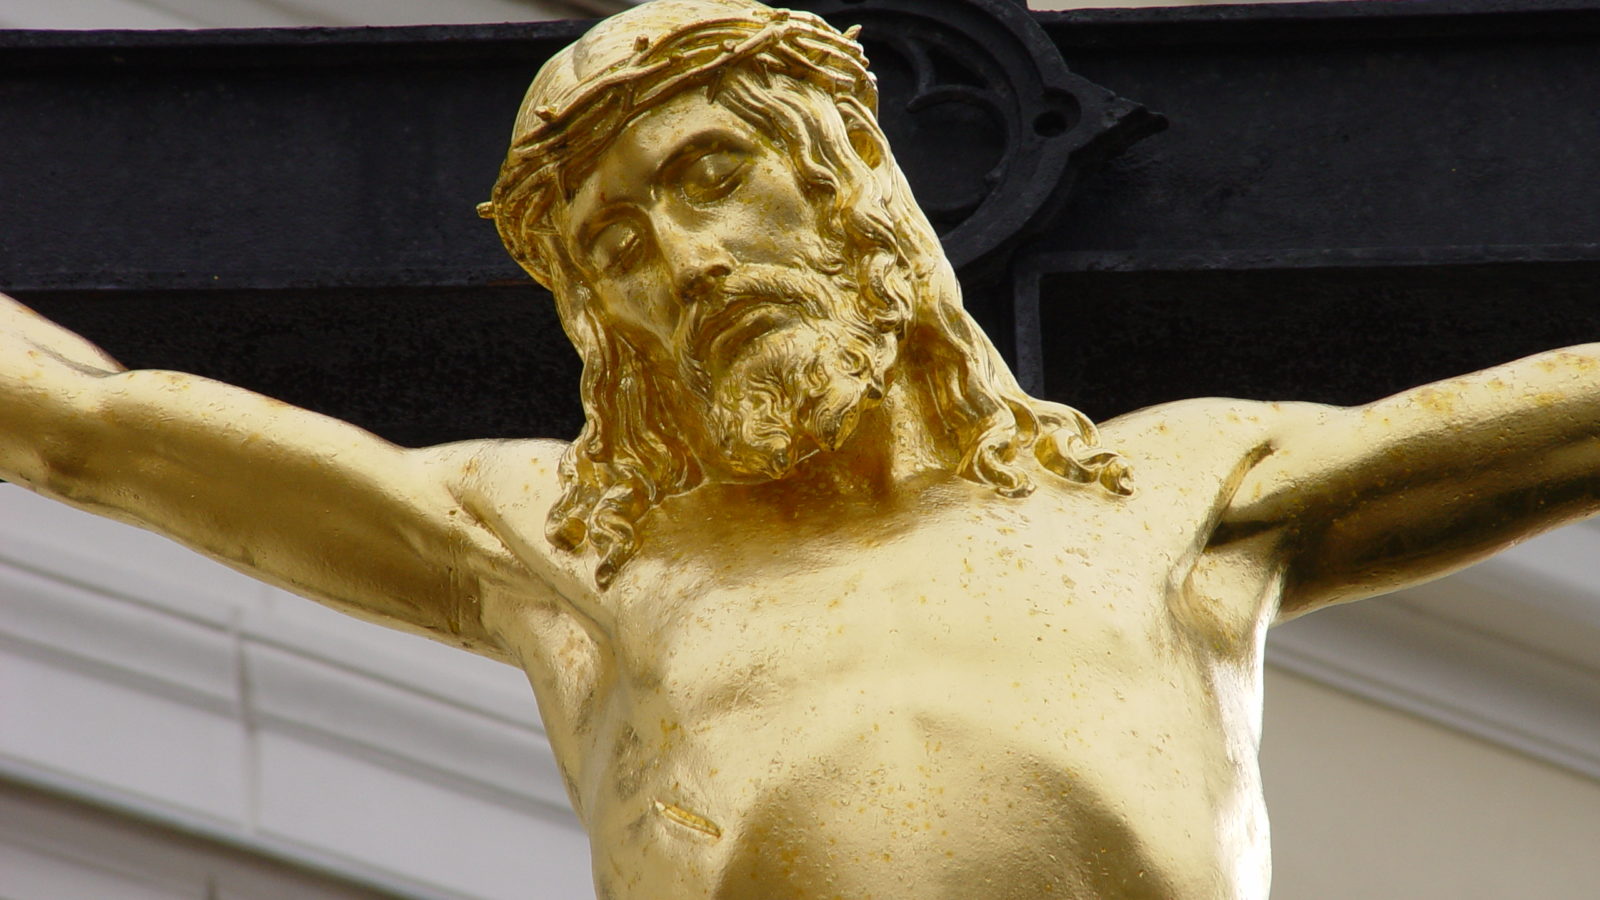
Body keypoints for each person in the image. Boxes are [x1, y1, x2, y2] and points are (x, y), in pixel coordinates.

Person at [4, 0, 1598, 896]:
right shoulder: (575, 545)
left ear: (848, 179)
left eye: (712, 176)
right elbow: (83, 427)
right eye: (613, 248)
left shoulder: (1168, 493)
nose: (686, 265)